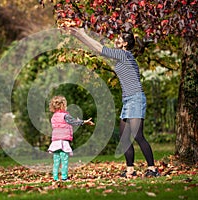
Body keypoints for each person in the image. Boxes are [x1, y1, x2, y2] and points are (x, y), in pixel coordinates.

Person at [68, 27, 160, 178]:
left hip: (136, 98)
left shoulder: (124, 55)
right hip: (128, 99)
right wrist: (78, 34)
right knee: (124, 137)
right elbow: (97, 49)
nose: (115, 40)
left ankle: (153, 169)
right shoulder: (122, 55)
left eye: (118, 39)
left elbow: (99, 48)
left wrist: (82, 33)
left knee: (138, 136)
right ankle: (130, 170)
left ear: (124, 43)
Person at [48, 95, 94, 181]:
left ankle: (55, 178)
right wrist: (84, 122)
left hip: (55, 142)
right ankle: (64, 178)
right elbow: (74, 122)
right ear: (62, 105)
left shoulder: (53, 117)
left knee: (56, 161)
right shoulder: (65, 116)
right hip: (63, 142)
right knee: (64, 160)